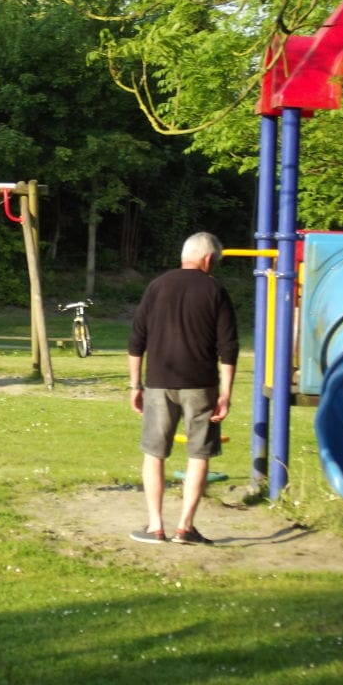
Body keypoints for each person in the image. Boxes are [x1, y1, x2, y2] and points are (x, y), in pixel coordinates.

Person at [127, 231, 239, 545]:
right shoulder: (215, 290)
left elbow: (136, 340)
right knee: (199, 454)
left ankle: (155, 526)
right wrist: (226, 393)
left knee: (154, 453)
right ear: (207, 258)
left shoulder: (157, 286)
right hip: (201, 385)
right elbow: (228, 347)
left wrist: (135, 385)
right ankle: (185, 528)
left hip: (159, 383)